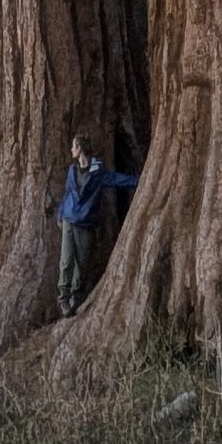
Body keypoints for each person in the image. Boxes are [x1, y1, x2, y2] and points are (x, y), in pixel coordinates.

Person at [56, 132, 136, 318]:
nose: (71, 149)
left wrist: (139, 181)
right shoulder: (72, 170)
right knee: (66, 260)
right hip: (69, 218)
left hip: (85, 222)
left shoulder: (97, 173)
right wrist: (60, 213)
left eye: (74, 146)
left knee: (81, 264)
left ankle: (76, 297)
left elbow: (117, 180)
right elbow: (68, 192)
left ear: (81, 149)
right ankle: (63, 297)